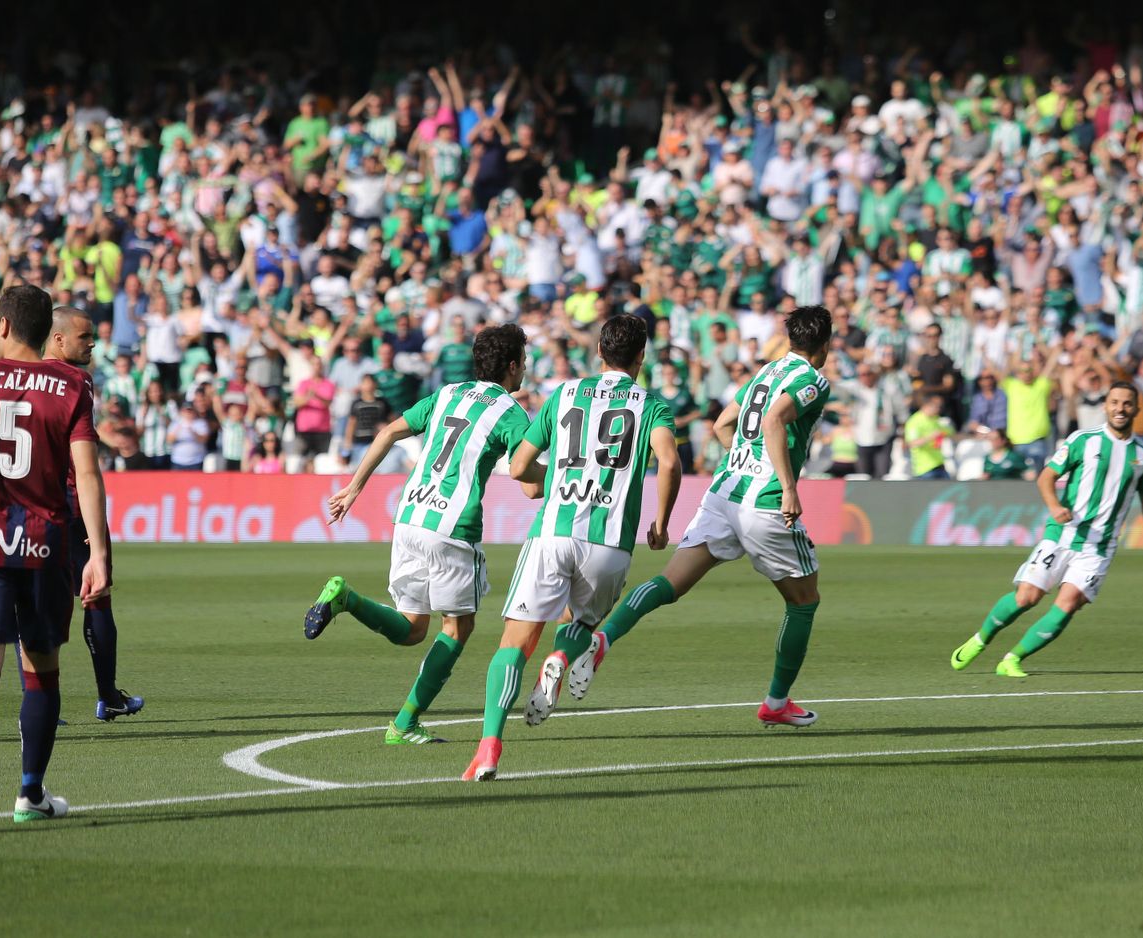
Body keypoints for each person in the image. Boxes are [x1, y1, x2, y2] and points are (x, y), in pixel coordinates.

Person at [570, 305, 832, 729]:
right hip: (763, 503)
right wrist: (785, 484)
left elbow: (722, 424)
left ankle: (602, 638)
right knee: (804, 601)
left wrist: (744, 462)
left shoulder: (764, 373)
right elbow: (775, 420)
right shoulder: (813, 380)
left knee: (668, 583)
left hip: (724, 492)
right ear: (825, 344)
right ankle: (776, 702)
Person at [459, 314, 679, 781]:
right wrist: (661, 521)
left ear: (598, 352)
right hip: (610, 542)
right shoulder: (652, 405)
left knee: (513, 645)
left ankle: (488, 750)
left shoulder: (565, 394)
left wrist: (552, 479)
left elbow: (519, 467)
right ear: (641, 357)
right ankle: (560, 658)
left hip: (553, 531)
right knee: (580, 621)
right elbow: (670, 462)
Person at [0, 285, 111, 833]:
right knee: (41, 668)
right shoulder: (72, 386)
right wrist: (97, 553)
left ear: (3, 326)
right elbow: (87, 474)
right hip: (47, 543)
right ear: (43, 331)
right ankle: (29, 792)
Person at [304, 325, 535, 746]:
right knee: (457, 629)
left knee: (413, 629)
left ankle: (347, 600)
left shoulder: (447, 393)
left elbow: (389, 431)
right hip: (452, 527)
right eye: (524, 359)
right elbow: (530, 483)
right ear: (513, 365)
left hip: (411, 515)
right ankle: (405, 723)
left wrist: (355, 486)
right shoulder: (513, 414)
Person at [950, 381, 1143, 677]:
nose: (1120, 408)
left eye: (1127, 403)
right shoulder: (1083, 440)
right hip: (1063, 534)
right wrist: (1055, 506)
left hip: (1100, 546)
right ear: (1105, 405)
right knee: (1026, 597)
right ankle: (980, 639)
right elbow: (1046, 477)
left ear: (1136, 408)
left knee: (1068, 604)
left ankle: (1012, 659)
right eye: (1115, 402)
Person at [44, 306, 142, 722]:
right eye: (85, 337)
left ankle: (42, 703)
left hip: (32, 505)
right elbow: (79, 457)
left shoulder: (15, 376)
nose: (93, 345)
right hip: (73, 500)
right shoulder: (76, 380)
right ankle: (108, 695)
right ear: (59, 338)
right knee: (96, 596)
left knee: (36, 604)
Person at [904, 394, 954, 479]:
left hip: (940, 465)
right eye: (936, 406)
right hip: (924, 469)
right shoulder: (914, 421)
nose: (938, 409)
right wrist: (930, 437)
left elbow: (950, 433)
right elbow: (912, 443)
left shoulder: (935, 419)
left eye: (939, 406)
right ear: (926, 406)